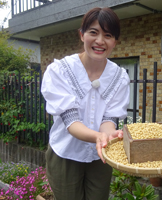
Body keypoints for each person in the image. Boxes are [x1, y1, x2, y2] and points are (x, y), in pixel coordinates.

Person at [41, 7, 130, 200]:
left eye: (108, 35)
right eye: (93, 32)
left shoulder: (119, 77)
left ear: (115, 41)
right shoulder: (60, 71)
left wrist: (107, 135)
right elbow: (71, 122)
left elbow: (109, 118)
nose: (100, 41)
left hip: (101, 155)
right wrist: (100, 137)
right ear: (81, 35)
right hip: (65, 153)